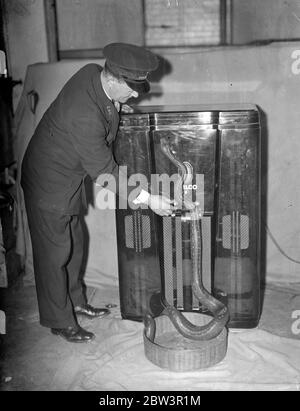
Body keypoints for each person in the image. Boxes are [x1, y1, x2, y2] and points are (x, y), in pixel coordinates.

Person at [21, 43, 176, 343]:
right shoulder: (83, 115)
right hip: (49, 181)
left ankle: (76, 301)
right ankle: (59, 320)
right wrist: (148, 199)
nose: (135, 95)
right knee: (54, 253)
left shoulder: (95, 75)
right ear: (115, 79)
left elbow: (103, 108)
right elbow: (106, 172)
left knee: (75, 243)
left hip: (69, 173)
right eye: (131, 90)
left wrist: (117, 108)